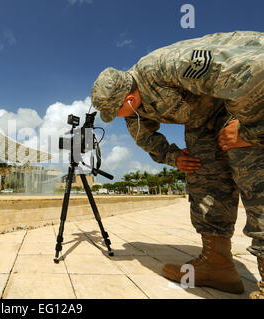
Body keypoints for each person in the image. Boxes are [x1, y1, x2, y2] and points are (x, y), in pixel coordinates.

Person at [91, 31, 263, 298]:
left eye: (115, 112)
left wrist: (250, 129)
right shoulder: (134, 110)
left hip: (246, 98)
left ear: (127, 100)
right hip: (204, 122)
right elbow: (144, 137)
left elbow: (253, 70)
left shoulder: (165, 66)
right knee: (203, 177)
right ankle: (218, 265)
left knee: (254, 175)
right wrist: (174, 157)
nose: (115, 117)